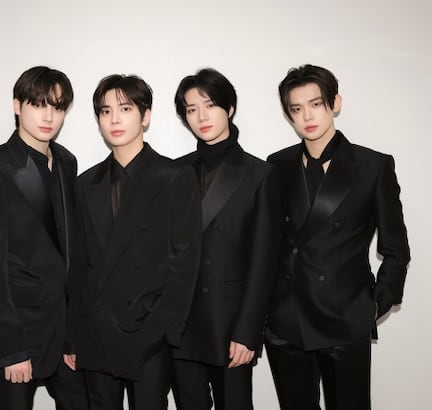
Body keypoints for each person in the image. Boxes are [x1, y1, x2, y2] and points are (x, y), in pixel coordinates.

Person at [264, 64, 410, 410]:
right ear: (288, 114)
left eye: (316, 104)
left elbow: (396, 249)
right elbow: (269, 243)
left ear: (335, 103)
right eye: (296, 109)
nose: (307, 116)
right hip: (287, 321)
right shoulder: (276, 165)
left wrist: (373, 306)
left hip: (344, 320)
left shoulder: (373, 166)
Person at [70, 74, 201, 409]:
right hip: (96, 331)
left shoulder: (174, 177)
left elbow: (185, 260)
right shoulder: (85, 184)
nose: (114, 119)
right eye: (105, 111)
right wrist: (73, 336)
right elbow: (79, 267)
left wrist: (165, 328)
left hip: (150, 333)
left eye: (125, 109)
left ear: (145, 116)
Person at [0, 66, 88, 410]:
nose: (49, 116)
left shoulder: (66, 162)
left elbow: (69, 252)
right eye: (38, 104)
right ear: (18, 106)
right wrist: (11, 349)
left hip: (65, 332)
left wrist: (74, 335)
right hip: (19, 334)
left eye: (58, 107)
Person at [171, 68, 281, 410]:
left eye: (210, 105)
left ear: (229, 108)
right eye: (191, 109)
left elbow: (264, 261)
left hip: (230, 324)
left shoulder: (260, 174)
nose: (201, 117)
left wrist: (248, 331)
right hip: (181, 326)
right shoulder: (173, 172)